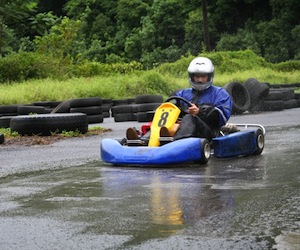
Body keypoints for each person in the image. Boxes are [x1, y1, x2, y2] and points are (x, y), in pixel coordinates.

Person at [126, 56, 232, 142]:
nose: (200, 80)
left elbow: (222, 116)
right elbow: (171, 107)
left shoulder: (219, 93)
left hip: (209, 132)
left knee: (190, 118)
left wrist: (200, 111)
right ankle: (145, 139)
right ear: (192, 77)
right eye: (197, 76)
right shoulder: (183, 93)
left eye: (203, 77)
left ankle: (175, 142)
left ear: (209, 77)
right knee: (164, 118)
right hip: (185, 129)